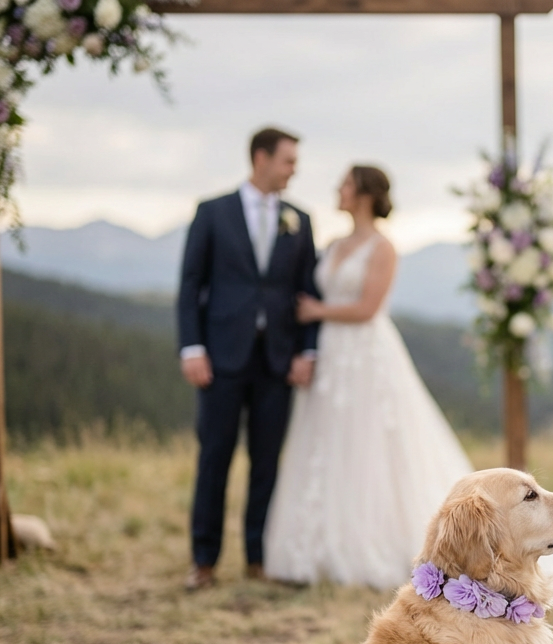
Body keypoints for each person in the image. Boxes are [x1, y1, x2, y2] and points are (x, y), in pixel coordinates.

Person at [261, 165, 473, 588]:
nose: (337, 189)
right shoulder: (334, 242)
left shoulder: (383, 247)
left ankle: (372, 544)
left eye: (343, 183)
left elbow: (368, 307)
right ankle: (315, 547)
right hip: (331, 356)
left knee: (367, 445)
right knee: (326, 441)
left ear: (361, 192)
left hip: (365, 354)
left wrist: (318, 312)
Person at [176, 127, 319, 591]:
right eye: (288, 161)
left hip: (277, 362)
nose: (293, 170)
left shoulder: (300, 219)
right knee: (214, 457)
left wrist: (306, 351)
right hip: (220, 358)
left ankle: (259, 557)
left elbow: (307, 292)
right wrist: (192, 347)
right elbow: (190, 285)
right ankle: (204, 560)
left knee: (267, 462)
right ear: (261, 158)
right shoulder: (212, 212)